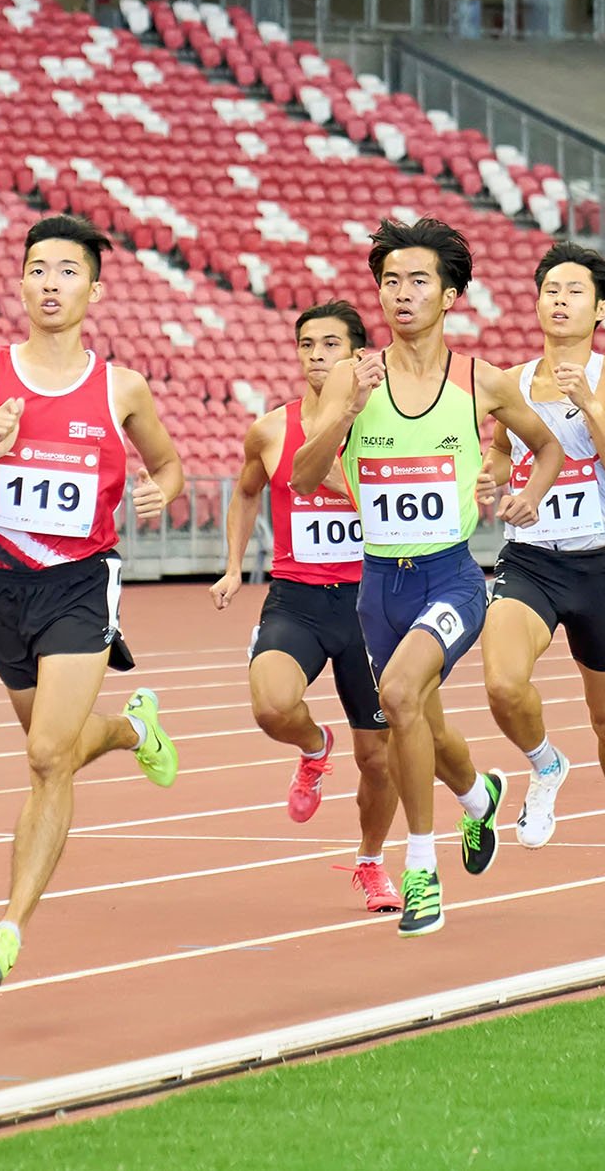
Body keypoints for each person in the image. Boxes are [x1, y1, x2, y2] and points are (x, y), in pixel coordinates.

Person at [0, 214, 183, 985]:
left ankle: (9, 928)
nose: (50, 282)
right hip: (4, 589)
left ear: (94, 288)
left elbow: (169, 466)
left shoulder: (120, 387)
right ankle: (132, 731)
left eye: (66, 270)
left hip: (80, 583)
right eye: (37, 268)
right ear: (20, 281)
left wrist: (161, 493)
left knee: (44, 759)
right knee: (56, 745)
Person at [292, 217, 562, 938]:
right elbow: (304, 476)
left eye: (418, 281)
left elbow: (547, 448)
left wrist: (525, 495)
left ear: (451, 296)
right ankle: (480, 799)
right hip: (379, 586)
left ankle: (421, 868)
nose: (401, 294)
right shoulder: (353, 376)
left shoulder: (483, 380)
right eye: (389, 281)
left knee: (397, 695)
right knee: (425, 730)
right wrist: (344, 411)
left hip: (451, 578)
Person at [479, 242, 605, 924]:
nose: (559, 299)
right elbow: (500, 454)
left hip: (596, 567)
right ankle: (545, 763)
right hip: (529, 559)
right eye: (550, 288)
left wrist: (590, 407)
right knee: (501, 683)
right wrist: (492, 480)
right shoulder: (511, 382)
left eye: (575, 290)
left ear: (601, 307)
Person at [208, 301, 401, 913]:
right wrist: (236, 564)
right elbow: (245, 493)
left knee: (377, 756)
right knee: (270, 704)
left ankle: (371, 863)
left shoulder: (389, 424)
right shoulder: (269, 429)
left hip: (372, 602)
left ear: (359, 355)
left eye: (331, 345)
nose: (317, 356)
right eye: (307, 345)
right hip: (298, 595)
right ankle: (315, 748)